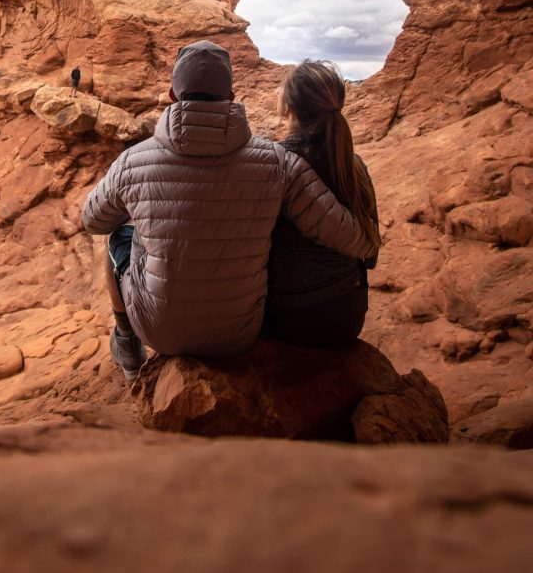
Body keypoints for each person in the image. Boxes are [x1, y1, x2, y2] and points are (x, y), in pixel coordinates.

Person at [81, 40, 378, 382]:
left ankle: (127, 344)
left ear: (172, 96)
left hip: (159, 331)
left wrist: (146, 203)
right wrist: (368, 244)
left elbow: (93, 220)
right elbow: (341, 231)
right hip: (239, 332)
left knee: (121, 235)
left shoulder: (133, 161)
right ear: (232, 95)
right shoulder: (277, 162)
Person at [263, 60, 380, 348]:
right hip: (346, 316)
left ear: (287, 107)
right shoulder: (354, 167)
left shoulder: (271, 164)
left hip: (284, 316)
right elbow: (371, 259)